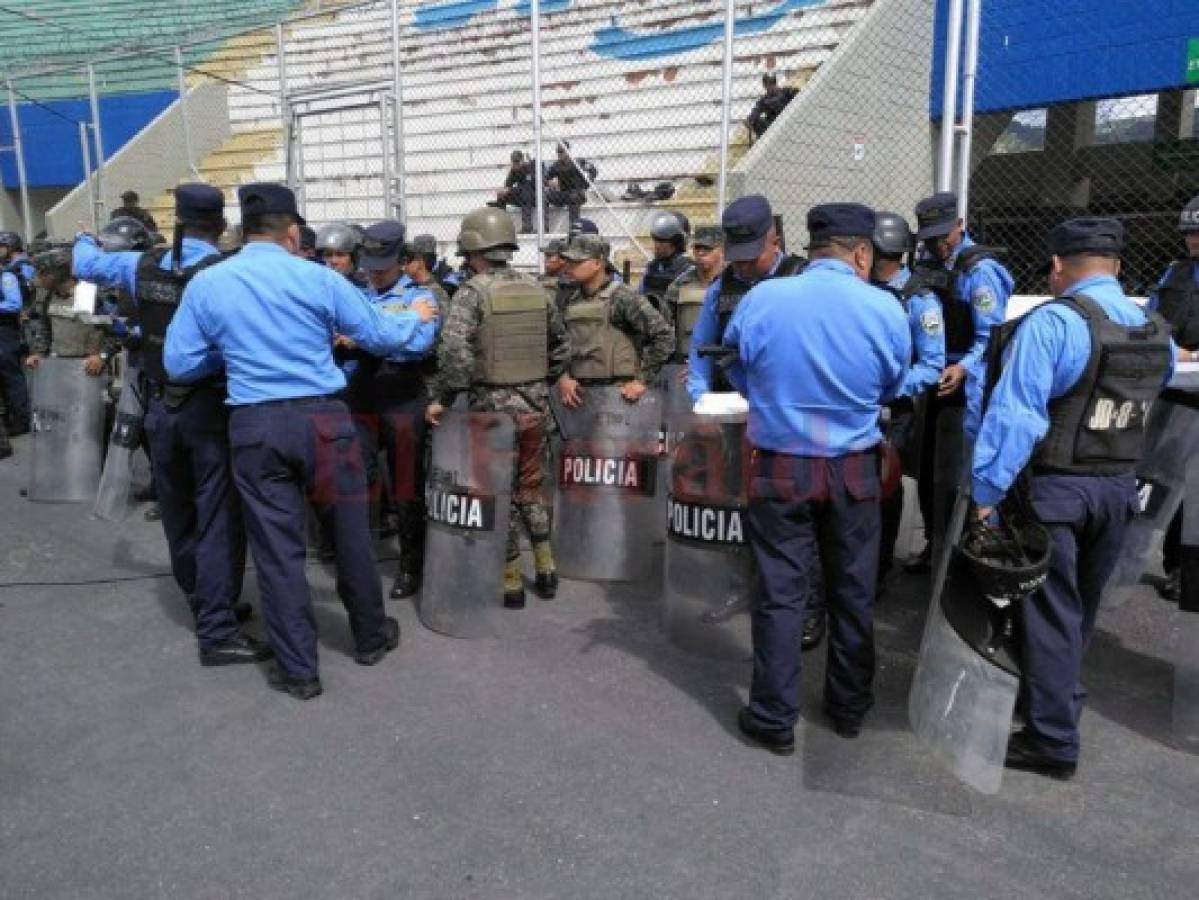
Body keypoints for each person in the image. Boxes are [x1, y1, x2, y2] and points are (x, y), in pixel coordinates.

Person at [164, 183, 436, 699]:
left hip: (255, 424)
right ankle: (370, 636)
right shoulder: (317, 277)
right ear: (293, 233)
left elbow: (179, 363)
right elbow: (379, 335)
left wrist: (237, 352)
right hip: (324, 423)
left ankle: (299, 671)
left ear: (244, 232)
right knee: (350, 533)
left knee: (277, 550)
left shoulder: (209, 283)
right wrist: (414, 319)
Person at [971, 218, 1173, 778]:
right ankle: (1054, 703)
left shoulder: (1054, 323)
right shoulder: (1154, 327)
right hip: (1119, 490)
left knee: (1049, 613)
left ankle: (1053, 740)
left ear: (1058, 267)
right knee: (1076, 610)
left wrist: (985, 493)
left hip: (1058, 491)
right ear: (1117, 267)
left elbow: (1017, 415)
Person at [725, 203, 910, 752]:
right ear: (860, 252)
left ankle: (773, 717)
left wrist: (773, 401)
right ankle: (849, 707)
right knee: (852, 591)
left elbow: (736, 363)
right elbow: (892, 384)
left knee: (781, 593)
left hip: (780, 466)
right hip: (853, 469)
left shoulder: (763, 299)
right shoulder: (883, 307)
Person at [73, 184, 262, 663]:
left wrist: (82, 238)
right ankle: (217, 630)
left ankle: (205, 602)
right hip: (209, 409)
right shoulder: (227, 270)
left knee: (179, 514)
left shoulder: (140, 264)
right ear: (220, 227)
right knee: (217, 517)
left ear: (176, 221)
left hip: (160, 409)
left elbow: (85, 263)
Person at [426, 206, 572, 608]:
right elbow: (562, 346)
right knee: (530, 488)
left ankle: (510, 581)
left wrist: (446, 396)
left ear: (472, 247)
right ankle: (545, 566)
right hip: (535, 407)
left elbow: (454, 351)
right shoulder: (537, 289)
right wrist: (540, 380)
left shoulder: (473, 292)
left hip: (492, 411)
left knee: (497, 491)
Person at [902, 191, 1013, 573]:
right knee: (929, 473)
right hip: (932, 378)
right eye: (930, 237)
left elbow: (990, 338)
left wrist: (963, 368)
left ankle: (964, 555)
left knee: (956, 476)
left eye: (944, 235)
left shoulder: (979, 271)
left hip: (966, 384)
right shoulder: (928, 261)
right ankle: (935, 546)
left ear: (960, 225)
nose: (938, 244)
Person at [358, 220, 441, 601]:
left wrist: (366, 337)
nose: (374, 273)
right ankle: (359, 562)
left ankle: (412, 565)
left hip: (403, 395)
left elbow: (418, 346)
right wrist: (390, 332)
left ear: (401, 261)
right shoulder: (360, 294)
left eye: (383, 267)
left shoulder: (421, 297)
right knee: (358, 482)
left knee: (407, 486)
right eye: (370, 266)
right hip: (362, 393)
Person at [869, 212, 945, 584]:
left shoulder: (919, 299)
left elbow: (932, 364)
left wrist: (889, 387)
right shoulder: (858, 288)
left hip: (891, 408)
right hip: (853, 401)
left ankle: (879, 568)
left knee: (884, 486)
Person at [686, 194, 806, 400]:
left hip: (787, 402)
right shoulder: (721, 287)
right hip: (731, 402)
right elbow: (701, 347)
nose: (744, 266)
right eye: (738, 259)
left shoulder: (802, 279)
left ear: (775, 243)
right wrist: (701, 399)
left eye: (752, 258)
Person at [1148, 194, 1199, 602]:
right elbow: (1152, 318)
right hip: (1171, 388)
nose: (1193, 241)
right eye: (1188, 233)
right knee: (1157, 478)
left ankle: (1185, 569)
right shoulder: (1175, 273)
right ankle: (1158, 560)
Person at [556, 234, 675, 408]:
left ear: (598, 263)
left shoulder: (623, 297)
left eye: (577, 262)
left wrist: (641, 380)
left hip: (618, 396)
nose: (569, 267)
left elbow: (664, 336)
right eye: (569, 261)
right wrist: (563, 377)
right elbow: (558, 344)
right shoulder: (569, 298)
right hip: (579, 396)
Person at [662, 225, 723, 361]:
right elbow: (664, 326)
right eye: (697, 248)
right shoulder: (679, 285)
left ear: (721, 250)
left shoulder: (733, 282)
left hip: (724, 359)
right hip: (687, 360)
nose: (701, 253)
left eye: (707, 249)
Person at [0, 230, 33, 436]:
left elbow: (14, 303)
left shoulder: (8, 275)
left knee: (11, 376)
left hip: (5, 332)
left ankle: (22, 420)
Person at [640, 210, 692, 312]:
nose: (656, 245)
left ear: (675, 242)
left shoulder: (687, 269)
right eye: (655, 240)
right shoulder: (652, 267)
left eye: (662, 241)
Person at [545, 142, 595, 229]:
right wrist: (549, 183)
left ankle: (574, 226)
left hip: (577, 193)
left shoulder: (578, 162)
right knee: (544, 196)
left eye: (562, 151)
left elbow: (593, 171)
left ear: (567, 151)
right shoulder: (556, 165)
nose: (559, 154)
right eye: (558, 152)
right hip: (564, 193)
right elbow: (545, 178)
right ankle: (544, 226)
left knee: (574, 197)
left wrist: (585, 186)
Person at [491, 149, 536, 233]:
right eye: (513, 161)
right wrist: (503, 191)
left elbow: (527, 186)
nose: (515, 164)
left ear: (522, 160)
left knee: (525, 193)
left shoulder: (528, 168)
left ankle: (527, 226)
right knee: (502, 196)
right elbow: (508, 185)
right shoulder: (513, 170)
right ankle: (502, 225)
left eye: (517, 161)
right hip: (521, 196)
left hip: (533, 196)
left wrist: (509, 190)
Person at [744, 73, 798, 141]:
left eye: (772, 83)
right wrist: (749, 120)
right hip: (772, 126)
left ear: (775, 83)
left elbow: (798, 94)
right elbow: (755, 111)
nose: (770, 86)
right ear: (765, 86)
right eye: (768, 84)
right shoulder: (764, 100)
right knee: (756, 121)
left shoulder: (787, 92)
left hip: (788, 122)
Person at [316, 222, 367, 289]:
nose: (334, 261)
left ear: (353, 258)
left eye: (340, 255)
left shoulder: (363, 290)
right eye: (328, 255)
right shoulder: (316, 287)